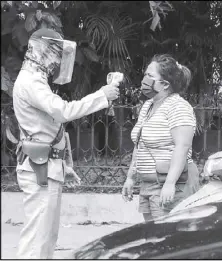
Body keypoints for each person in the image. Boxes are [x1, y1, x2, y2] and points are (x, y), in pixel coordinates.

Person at [13, 28, 122, 259]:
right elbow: (63, 112)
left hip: (45, 166)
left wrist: (63, 166)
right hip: (39, 168)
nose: (58, 61)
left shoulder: (34, 80)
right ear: (42, 52)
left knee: (45, 238)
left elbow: (50, 129)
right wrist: (101, 96)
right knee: (37, 240)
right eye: (55, 53)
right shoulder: (31, 82)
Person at [122, 54, 200, 221]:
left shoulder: (178, 107)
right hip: (147, 185)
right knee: (152, 238)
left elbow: (182, 146)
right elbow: (139, 144)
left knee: (165, 240)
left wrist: (170, 183)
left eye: (150, 76)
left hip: (169, 185)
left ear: (165, 84)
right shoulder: (148, 106)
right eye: (145, 74)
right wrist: (130, 177)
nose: (145, 79)